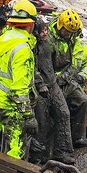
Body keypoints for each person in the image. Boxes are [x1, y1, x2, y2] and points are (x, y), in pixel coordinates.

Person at [0, 0, 38, 159]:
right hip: (10, 107)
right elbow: (20, 90)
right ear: (30, 24)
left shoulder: (4, 38)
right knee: (15, 153)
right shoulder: (23, 49)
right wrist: (29, 116)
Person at [46, 9, 87, 148]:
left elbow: (81, 64)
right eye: (67, 31)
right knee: (58, 110)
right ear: (60, 26)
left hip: (68, 80)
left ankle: (78, 137)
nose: (69, 35)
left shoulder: (75, 40)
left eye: (71, 32)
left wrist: (78, 76)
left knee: (83, 100)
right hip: (52, 81)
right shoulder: (49, 40)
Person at [31, 17, 75, 164]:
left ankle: (63, 152)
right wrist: (40, 84)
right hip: (40, 88)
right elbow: (32, 69)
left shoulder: (46, 43)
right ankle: (38, 157)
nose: (45, 33)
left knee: (64, 113)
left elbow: (53, 63)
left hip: (53, 84)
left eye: (45, 29)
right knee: (42, 123)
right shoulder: (32, 46)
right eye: (42, 31)